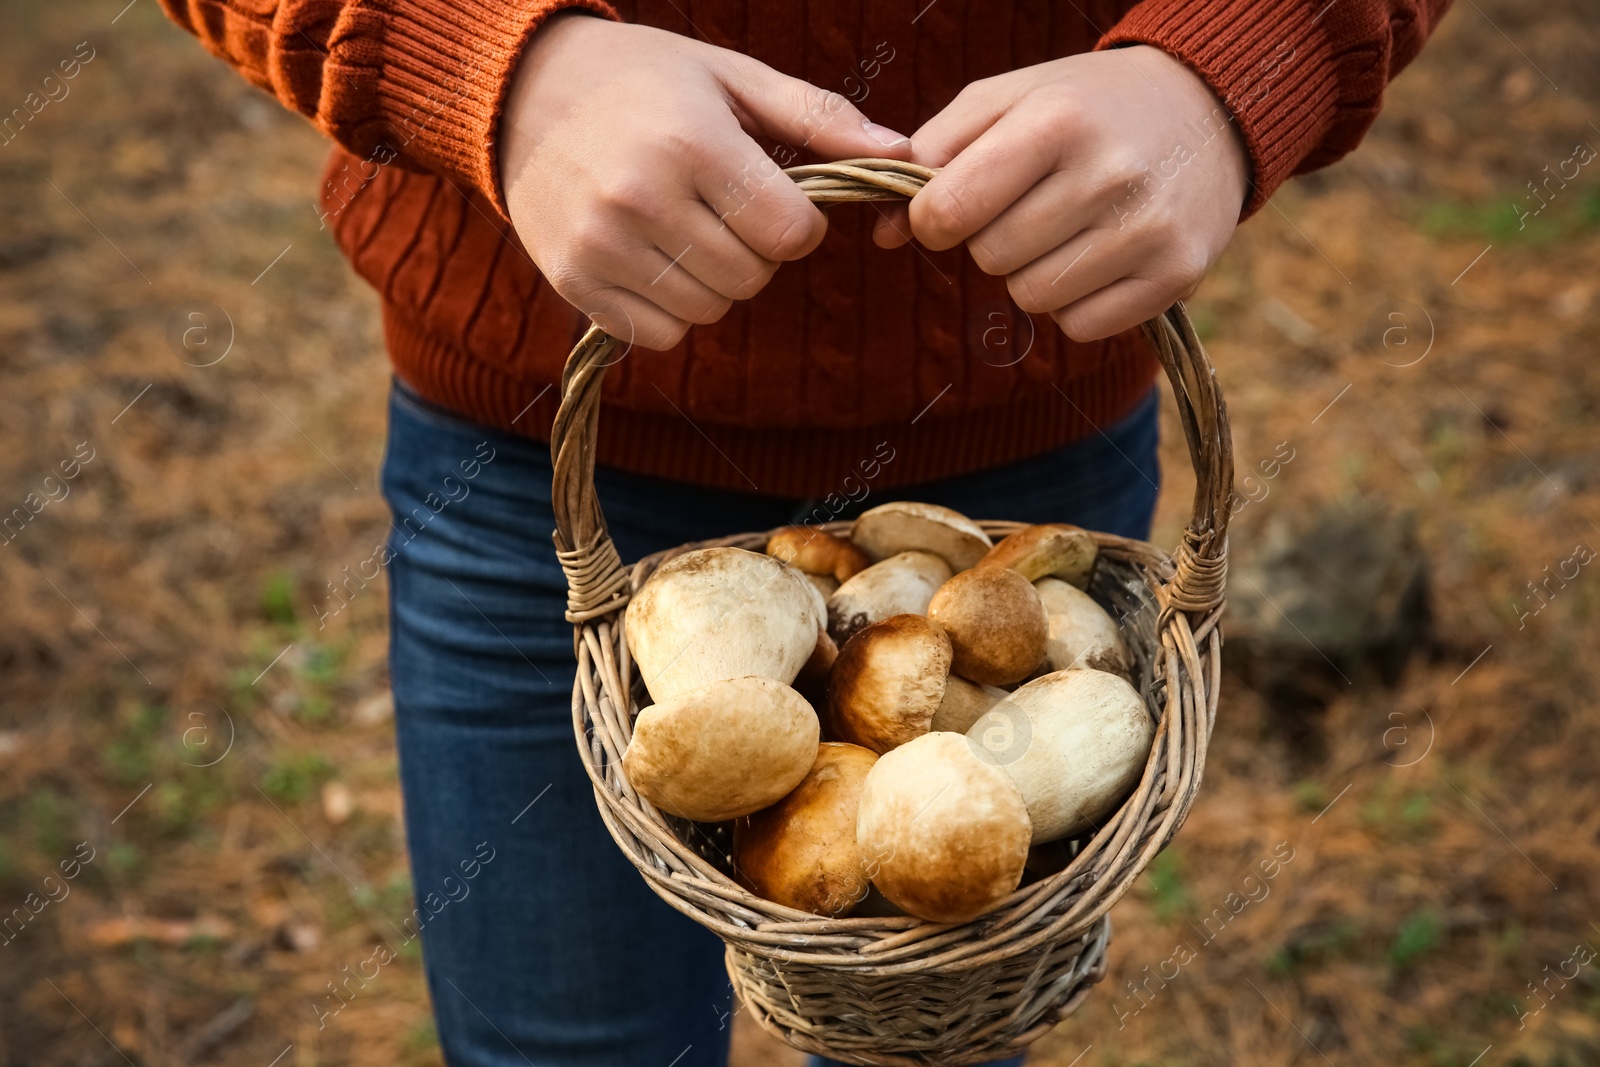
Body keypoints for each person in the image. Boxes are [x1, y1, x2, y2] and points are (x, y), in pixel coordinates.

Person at [159, 1, 1451, 1064]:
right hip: (539, 466)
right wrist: (484, 57)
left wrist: (1240, 61)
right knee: (555, 1044)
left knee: (940, 1006)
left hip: (1015, 475)